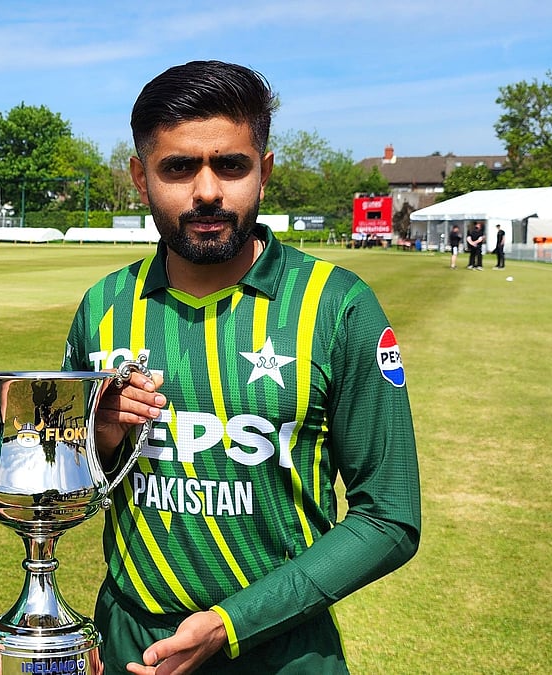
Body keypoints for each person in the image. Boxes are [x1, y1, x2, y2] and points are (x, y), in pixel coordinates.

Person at [60, 60, 421, 673]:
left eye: (230, 165)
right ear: (140, 178)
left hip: (279, 648)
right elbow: (67, 483)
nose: (207, 191)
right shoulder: (103, 307)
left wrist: (232, 624)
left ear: (265, 172)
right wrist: (97, 438)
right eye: (178, 167)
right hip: (127, 644)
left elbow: (388, 517)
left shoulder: (337, 305)